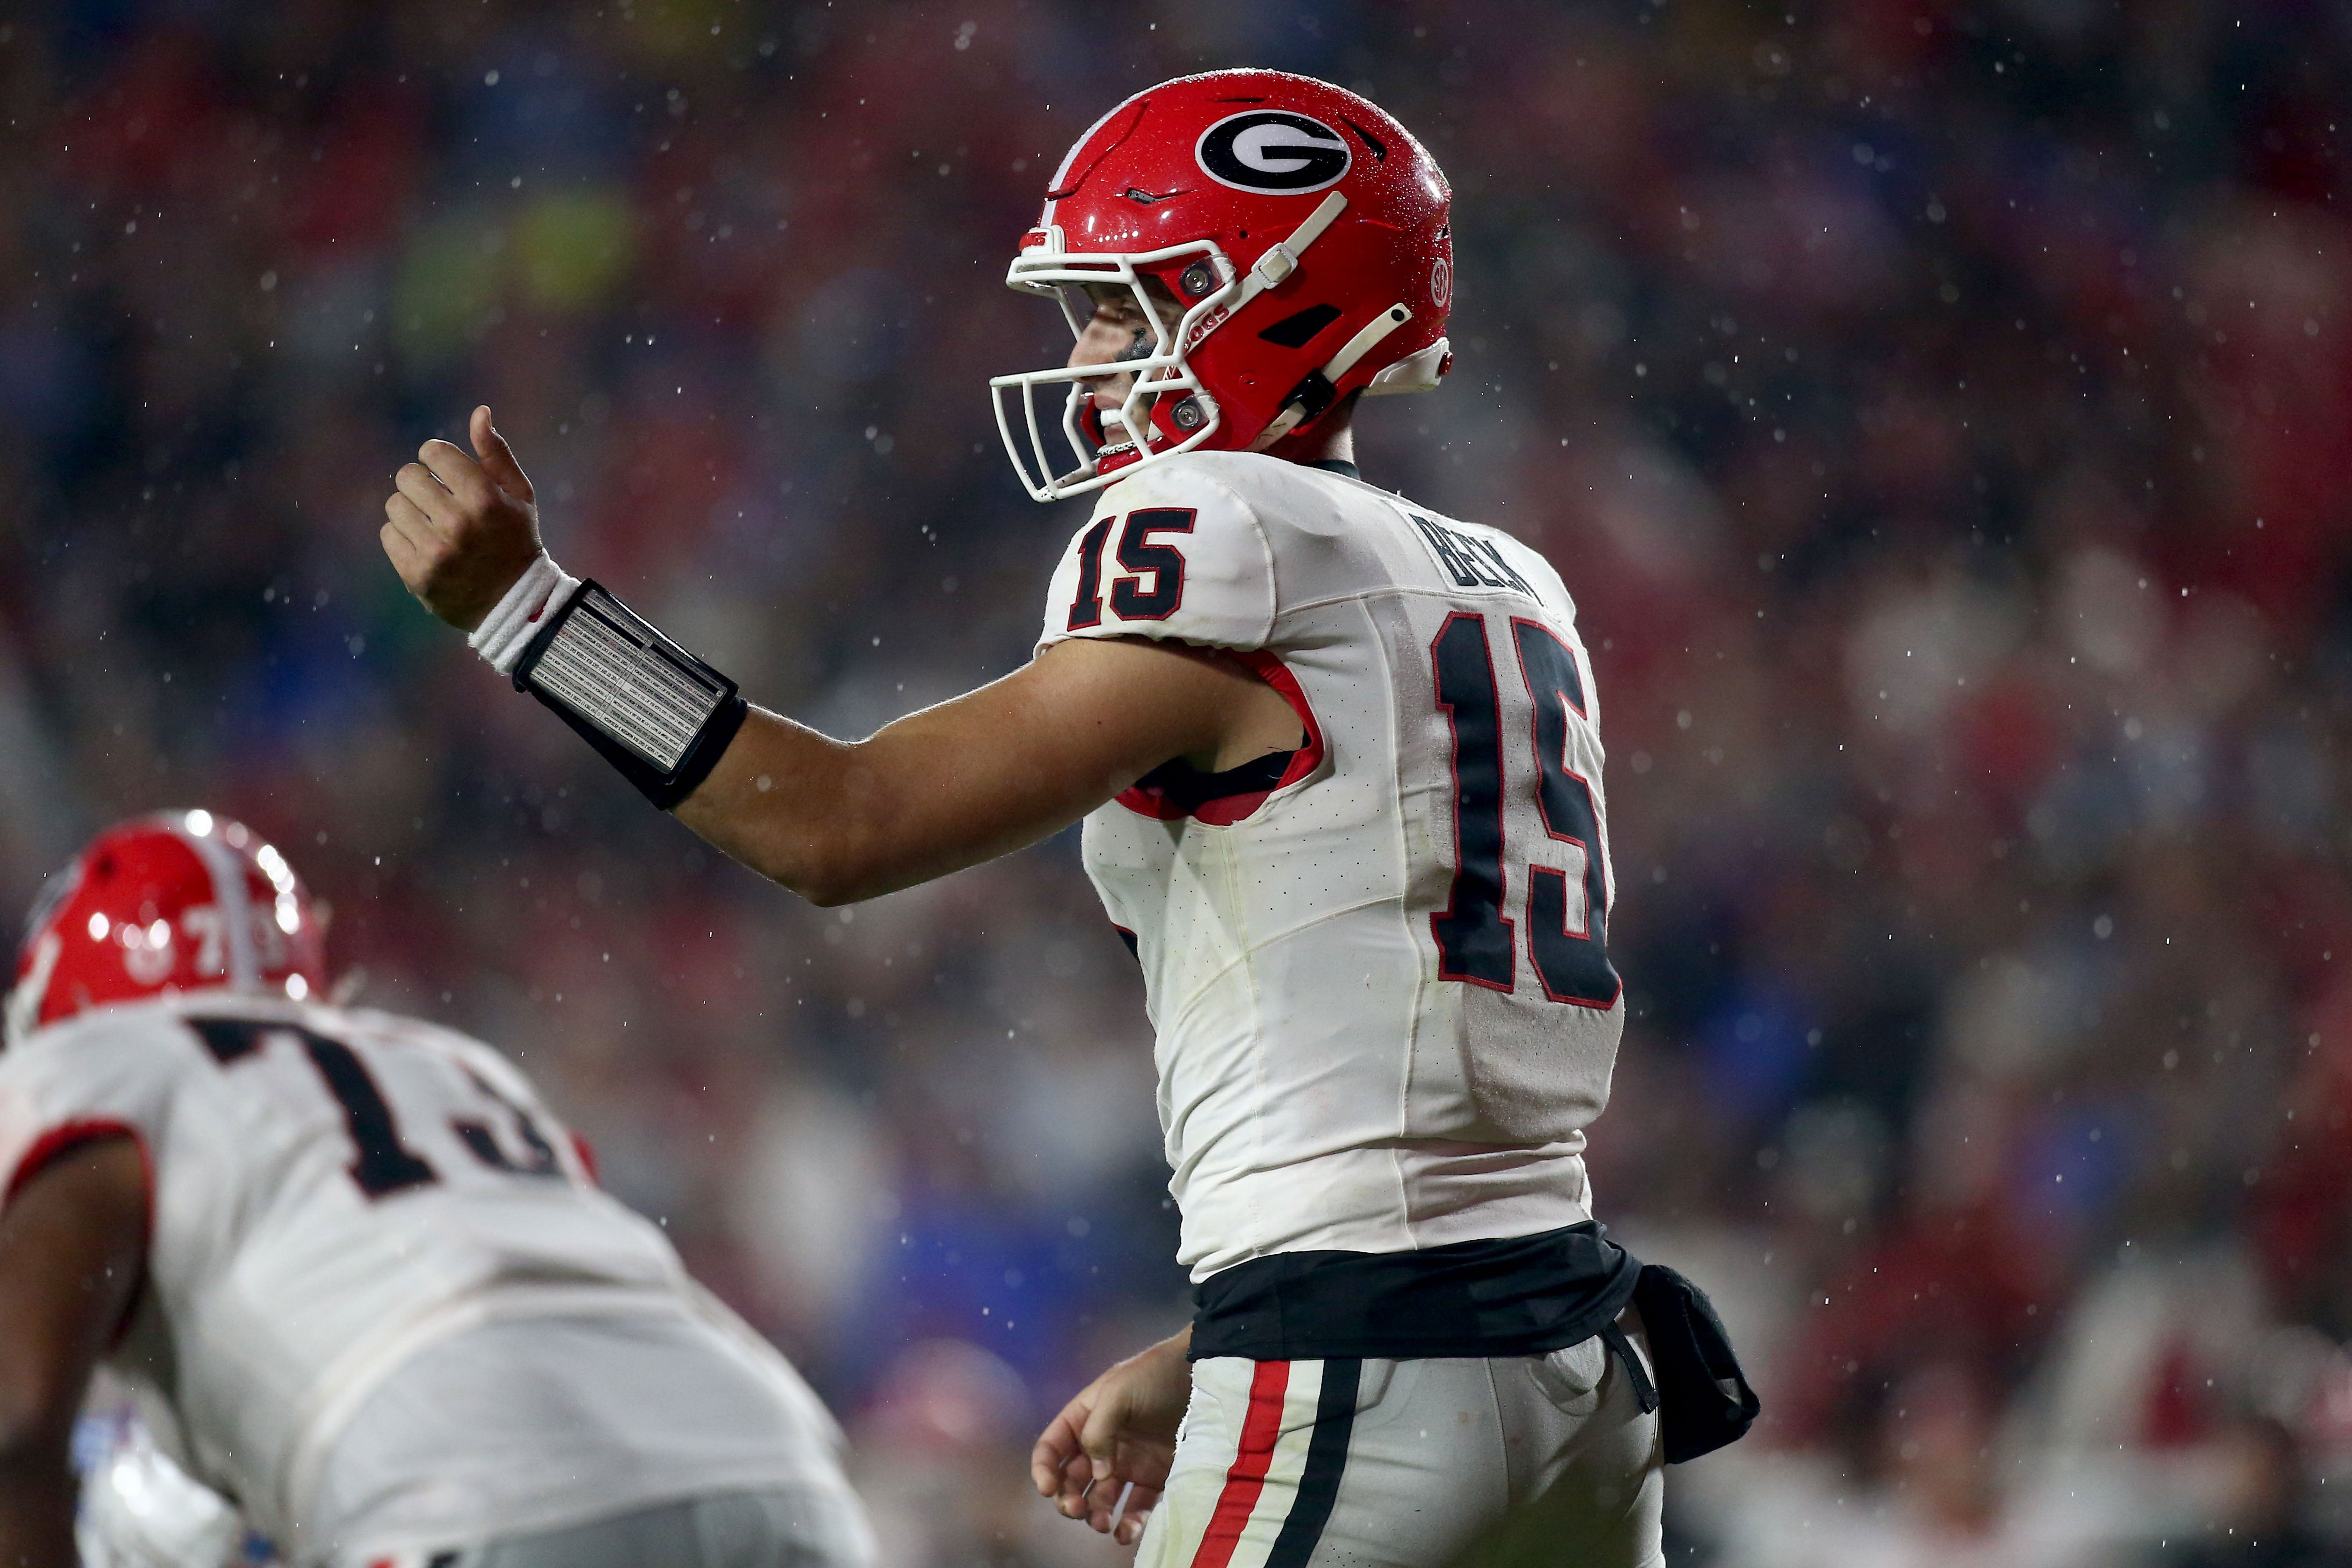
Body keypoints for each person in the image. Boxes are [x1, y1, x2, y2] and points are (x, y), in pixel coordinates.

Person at [378, 68, 1753, 1568]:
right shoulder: (1507, 578)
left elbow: (839, 825)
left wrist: (530, 615)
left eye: (1129, 305)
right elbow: (1431, 1105)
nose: (1093, 357)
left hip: (1365, 1381)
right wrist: (1204, 1351)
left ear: (1276, 305)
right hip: (1563, 1370)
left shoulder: (1220, 525)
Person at [0, 811, 876, 1568]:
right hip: (770, 1463)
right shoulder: (452, 1065)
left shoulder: (85, 1069)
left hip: (477, 1480)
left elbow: (14, 1429)